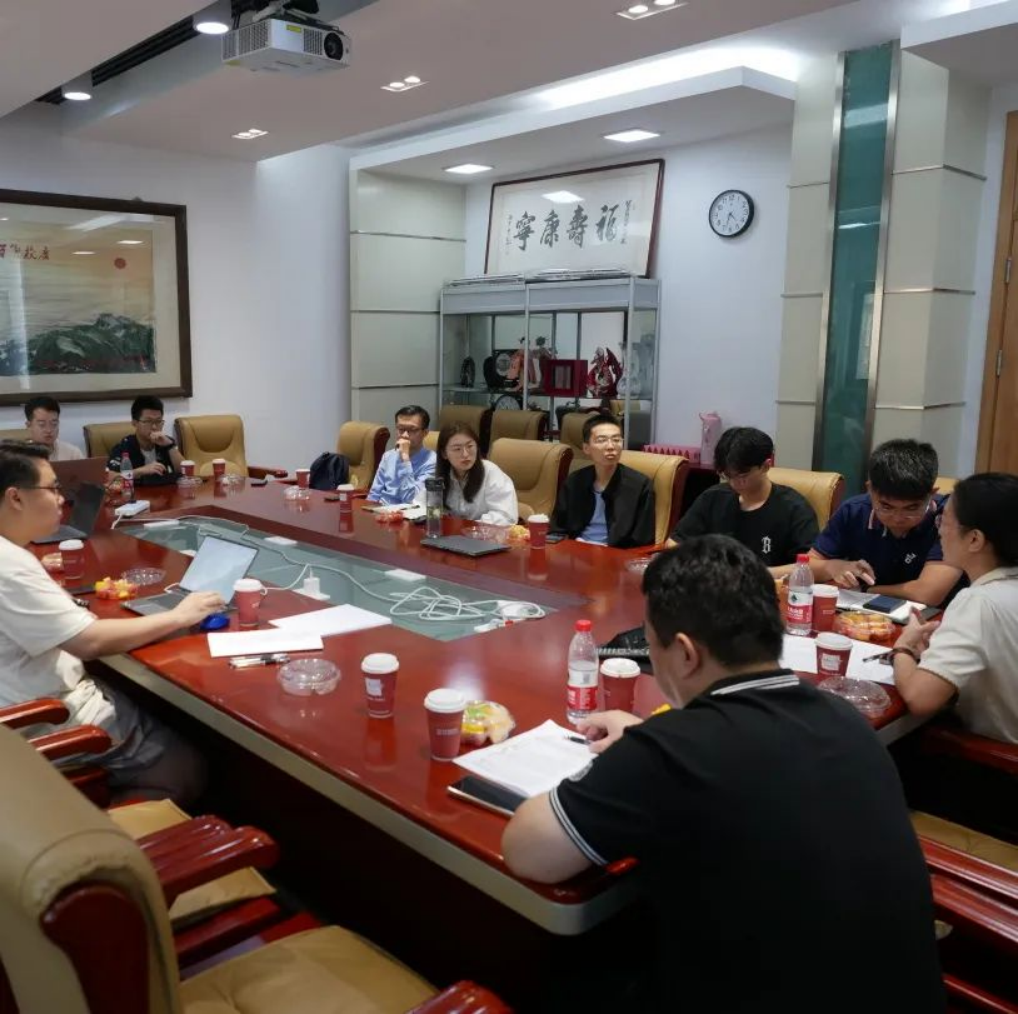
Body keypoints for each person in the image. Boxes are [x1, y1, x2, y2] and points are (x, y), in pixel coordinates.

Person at [501, 536, 945, 1012]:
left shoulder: (670, 752)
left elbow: (527, 851)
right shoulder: (843, 718)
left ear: (685, 653)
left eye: (651, 643)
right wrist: (647, 740)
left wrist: (628, 757)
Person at [0, 444, 222, 803]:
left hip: (23, 700)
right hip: (36, 718)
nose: (61, 498)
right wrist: (179, 616)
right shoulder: (8, 564)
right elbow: (88, 642)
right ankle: (104, 839)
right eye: (52, 488)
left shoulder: (12, 554)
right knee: (182, 765)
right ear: (15, 498)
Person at [890, 473, 1018, 743]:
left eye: (944, 521)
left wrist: (903, 648)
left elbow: (920, 698)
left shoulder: (979, 601)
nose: (938, 531)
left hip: (996, 758)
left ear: (974, 540)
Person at [810, 438, 962, 606]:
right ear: (870, 489)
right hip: (863, 613)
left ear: (931, 493)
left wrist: (868, 590)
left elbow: (927, 593)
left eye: (911, 508)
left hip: (937, 616)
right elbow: (805, 565)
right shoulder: (854, 511)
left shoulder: (951, 518)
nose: (898, 518)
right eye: (886, 507)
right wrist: (834, 566)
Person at [668, 426, 817, 575]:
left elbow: (812, 566)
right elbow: (674, 544)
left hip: (767, 586)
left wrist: (754, 574)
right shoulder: (713, 497)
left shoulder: (794, 508)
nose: (734, 483)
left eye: (742, 476)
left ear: (766, 465)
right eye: (727, 475)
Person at [551, 414, 655, 548]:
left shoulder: (640, 485)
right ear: (586, 448)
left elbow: (643, 540)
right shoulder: (574, 481)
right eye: (601, 440)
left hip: (616, 555)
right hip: (576, 551)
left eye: (616, 440)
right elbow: (558, 529)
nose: (611, 446)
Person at [416, 422, 517, 525]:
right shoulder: (438, 474)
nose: (465, 454)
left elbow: (506, 516)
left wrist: (470, 528)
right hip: (447, 532)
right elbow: (419, 505)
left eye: (470, 446)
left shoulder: (490, 472)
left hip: (482, 533)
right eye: (457, 449)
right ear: (444, 453)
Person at [106, 395, 183, 487]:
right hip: (136, 494)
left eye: (158, 421)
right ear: (134, 423)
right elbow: (109, 477)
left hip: (164, 494)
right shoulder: (124, 446)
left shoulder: (165, 442)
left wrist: (170, 446)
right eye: (148, 421)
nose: (154, 427)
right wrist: (140, 471)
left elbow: (185, 473)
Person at [368, 405, 436, 506]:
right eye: (401, 429)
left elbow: (411, 499)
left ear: (425, 433)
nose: (405, 435)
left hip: (410, 513)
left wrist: (405, 459)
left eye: (412, 430)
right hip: (381, 511)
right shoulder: (388, 456)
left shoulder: (432, 461)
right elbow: (374, 495)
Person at [23, 395, 83, 462]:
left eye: (54, 424)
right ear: (29, 426)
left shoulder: (72, 454)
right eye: (42, 425)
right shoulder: (20, 456)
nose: (49, 430)